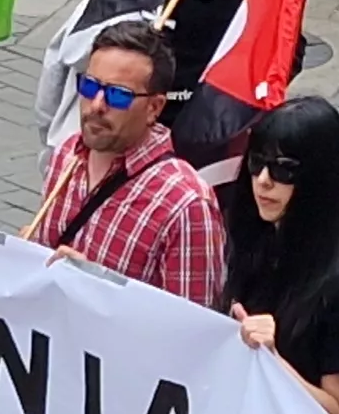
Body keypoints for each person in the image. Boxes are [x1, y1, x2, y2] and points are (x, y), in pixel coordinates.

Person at [22, 21, 228, 307]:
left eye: (117, 95)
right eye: (89, 85)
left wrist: (97, 292)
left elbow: (191, 332)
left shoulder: (186, 205)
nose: (96, 105)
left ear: (154, 108)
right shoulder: (67, 154)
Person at [230, 97, 339, 414]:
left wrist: (273, 360)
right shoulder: (255, 237)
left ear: (318, 177)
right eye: (257, 163)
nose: (264, 180)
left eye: (284, 169)